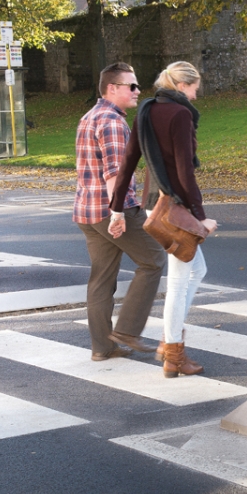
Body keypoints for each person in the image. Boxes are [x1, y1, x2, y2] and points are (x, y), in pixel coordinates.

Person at [112, 61, 218, 377]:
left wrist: (117, 207)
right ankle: (172, 351)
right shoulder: (180, 114)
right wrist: (201, 218)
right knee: (180, 279)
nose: (196, 94)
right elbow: (184, 171)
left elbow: (129, 160)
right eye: (195, 87)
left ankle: (170, 342)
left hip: (153, 205)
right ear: (183, 85)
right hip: (175, 208)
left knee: (195, 269)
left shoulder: (146, 111)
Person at [74, 61, 166, 361]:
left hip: (87, 211)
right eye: (132, 86)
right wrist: (118, 213)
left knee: (101, 280)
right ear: (112, 88)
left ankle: (103, 347)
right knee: (153, 260)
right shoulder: (113, 121)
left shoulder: (90, 116)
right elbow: (116, 173)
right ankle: (127, 330)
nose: (138, 91)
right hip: (114, 209)